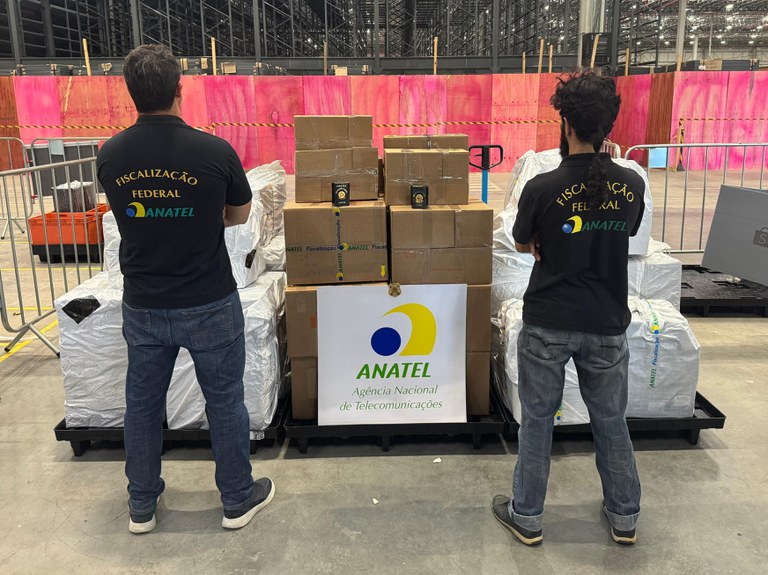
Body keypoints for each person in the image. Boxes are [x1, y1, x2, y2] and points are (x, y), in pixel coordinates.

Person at [97, 44, 274, 534]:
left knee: (143, 404)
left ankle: (141, 506)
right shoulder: (213, 151)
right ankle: (237, 499)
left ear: (131, 94)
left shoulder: (110, 155)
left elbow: (126, 214)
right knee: (224, 402)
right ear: (180, 89)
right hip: (209, 299)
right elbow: (238, 215)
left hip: (145, 303)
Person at [492, 71, 644, 546]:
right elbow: (628, 228)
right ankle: (623, 516)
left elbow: (520, 241)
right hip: (606, 321)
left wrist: (542, 239)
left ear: (566, 125)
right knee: (610, 420)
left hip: (548, 321)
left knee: (537, 421)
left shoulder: (542, 187)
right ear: (609, 126)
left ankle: (529, 516)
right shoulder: (631, 184)